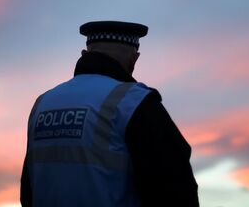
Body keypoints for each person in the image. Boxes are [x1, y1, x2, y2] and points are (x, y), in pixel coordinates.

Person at [21, 21, 199, 206]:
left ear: (84, 54)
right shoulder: (134, 103)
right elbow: (175, 189)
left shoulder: (43, 104)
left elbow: (28, 190)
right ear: (133, 60)